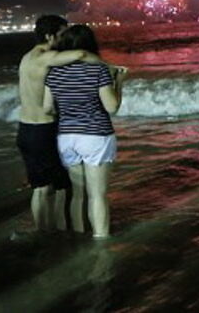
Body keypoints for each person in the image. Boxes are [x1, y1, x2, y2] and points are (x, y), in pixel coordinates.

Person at [17, 15, 105, 232]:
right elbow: (82, 53)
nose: (65, 38)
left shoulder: (27, 58)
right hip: (43, 130)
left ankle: (43, 232)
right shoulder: (45, 58)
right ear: (50, 36)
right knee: (61, 187)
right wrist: (108, 68)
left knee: (40, 187)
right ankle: (58, 231)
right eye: (62, 33)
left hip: (25, 130)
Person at [43, 24, 125, 238]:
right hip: (96, 136)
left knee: (77, 195)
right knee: (97, 195)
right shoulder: (98, 70)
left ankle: (79, 237)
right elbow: (111, 107)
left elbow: (47, 108)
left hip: (67, 138)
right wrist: (119, 83)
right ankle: (101, 240)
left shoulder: (54, 73)